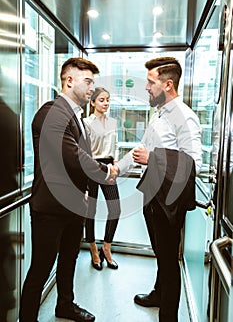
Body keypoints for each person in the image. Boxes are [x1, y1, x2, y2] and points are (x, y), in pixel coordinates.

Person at [18, 57, 117, 322]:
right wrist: (106, 171)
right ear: (69, 80)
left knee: (69, 260)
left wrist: (84, 189)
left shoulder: (75, 116)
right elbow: (73, 157)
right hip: (50, 208)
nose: (92, 88)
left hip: (74, 204)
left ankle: (65, 305)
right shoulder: (51, 112)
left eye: (93, 82)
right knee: (40, 269)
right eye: (88, 82)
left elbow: (76, 160)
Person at [114, 57, 202, 322]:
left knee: (168, 259)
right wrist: (117, 168)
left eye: (150, 83)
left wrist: (153, 159)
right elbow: (141, 149)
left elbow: (193, 163)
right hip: (153, 196)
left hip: (169, 201)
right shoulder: (160, 115)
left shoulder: (185, 116)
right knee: (160, 254)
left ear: (168, 84)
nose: (146, 88)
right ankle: (158, 293)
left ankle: (168, 316)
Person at [84, 88, 121, 270]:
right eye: (101, 100)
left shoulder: (113, 122)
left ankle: (106, 247)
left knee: (115, 209)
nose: (106, 103)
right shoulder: (86, 123)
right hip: (92, 166)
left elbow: (115, 146)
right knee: (90, 210)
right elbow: (84, 151)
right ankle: (93, 248)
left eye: (107, 100)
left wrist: (115, 165)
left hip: (109, 166)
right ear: (92, 103)